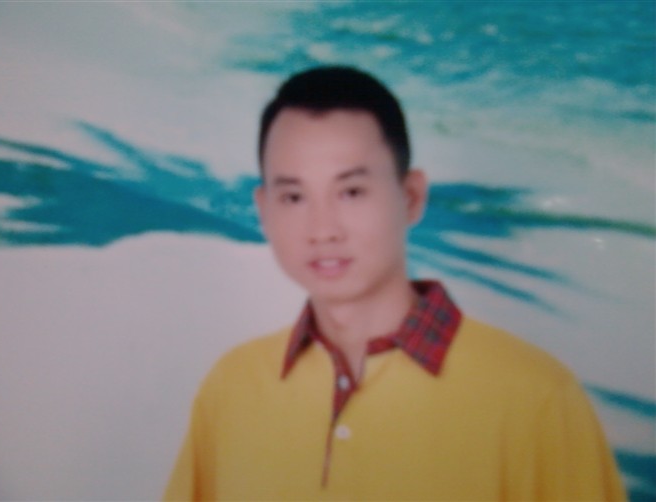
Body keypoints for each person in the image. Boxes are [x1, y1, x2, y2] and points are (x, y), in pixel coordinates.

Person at [164, 66, 625, 501]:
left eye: (351, 192)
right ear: (264, 210)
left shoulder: (537, 399)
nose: (322, 230)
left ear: (411, 197)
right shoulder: (232, 387)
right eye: (294, 197)